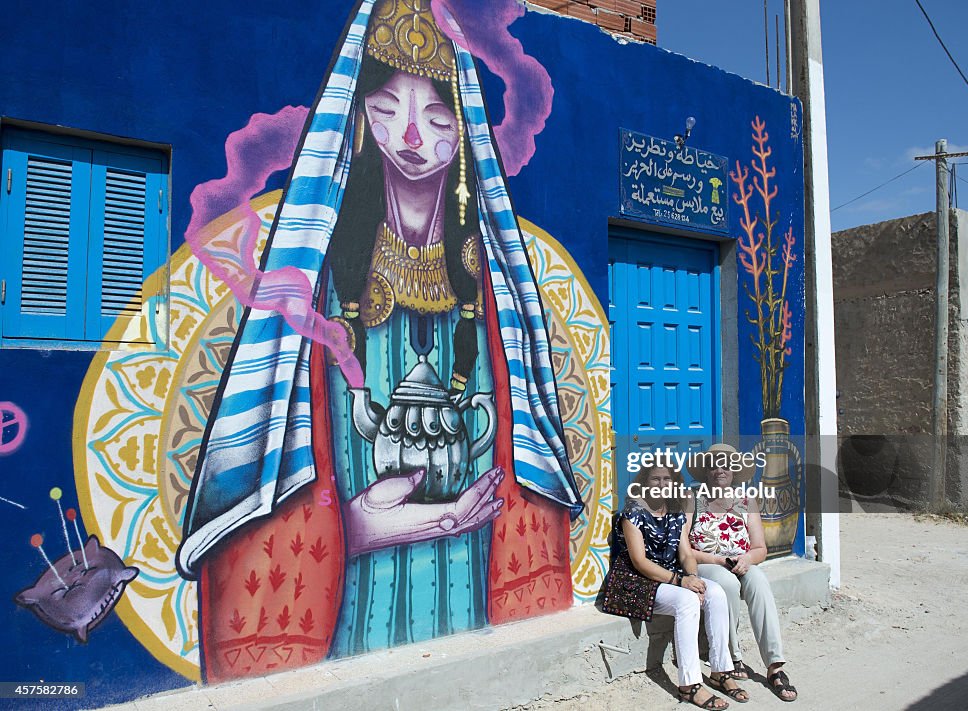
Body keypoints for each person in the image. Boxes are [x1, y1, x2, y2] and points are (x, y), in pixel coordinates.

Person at [175, 0, 583, 682]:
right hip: (345, 613)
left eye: (437, 114)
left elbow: (525, 473)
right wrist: (371, 527)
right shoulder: (314, 293)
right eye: (389, 107)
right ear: (359, 119)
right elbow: (268, 506)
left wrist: (460, 521)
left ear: (466, 131)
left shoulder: (493, 297)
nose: (413, 136)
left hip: (471, 584)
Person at [612, 464, 747, 708]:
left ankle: (720, 671)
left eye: (667, 479)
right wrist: (681, 581)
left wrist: (694, 577)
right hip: (637, 582)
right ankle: (689, 685)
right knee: (687, 601)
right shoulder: (632, 513)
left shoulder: (674, 511)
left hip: (670, 577)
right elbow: (640, 562)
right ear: (644, 482)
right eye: (656, 479)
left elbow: (685, 554)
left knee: (714, 592)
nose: (662, 484)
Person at [685, 443, 798, 702]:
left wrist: (747, 559)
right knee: (727, 583)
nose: (720, 470)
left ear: (734, 472)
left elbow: (760, 548)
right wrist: (715, 559)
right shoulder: (694, 499)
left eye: (726, 465)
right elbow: (686, 548)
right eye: (714, 466)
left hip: (741, 562)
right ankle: (733, 657)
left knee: (759, 581)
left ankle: (774, 665)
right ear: (706, 473)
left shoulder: (747, 501)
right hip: (708, 562)